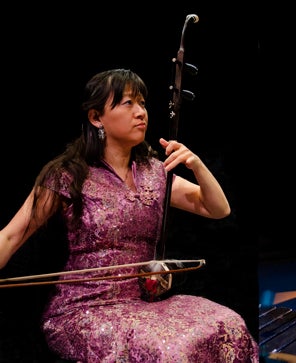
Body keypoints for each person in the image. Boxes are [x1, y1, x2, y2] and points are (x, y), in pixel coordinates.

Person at [0, 69, 258, 362]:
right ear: (97, 117)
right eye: (127, 103)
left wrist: (196, 164)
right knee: (169, 349)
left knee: (230, 325)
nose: (141, 113)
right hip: (83, 310)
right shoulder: (68, 174)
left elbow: (218, 208)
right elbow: (10, 235)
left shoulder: (155, 172)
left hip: (144, 303)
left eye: (143, 103)